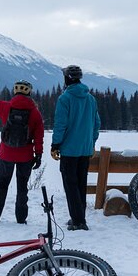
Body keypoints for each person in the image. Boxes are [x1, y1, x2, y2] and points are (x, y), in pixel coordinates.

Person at [0, 80, 44, 224]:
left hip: (6, 154)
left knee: (1, 185)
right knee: (22, 188)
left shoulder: (6, 107)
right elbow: (39, 136)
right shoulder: (35, 112)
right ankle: (21, 219)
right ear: (29, 92)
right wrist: (39, 154)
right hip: (26, 156)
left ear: (15, 91)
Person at [50, 65, 101, 231]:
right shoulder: (90, 99)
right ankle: (80, 217)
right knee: (81, 184)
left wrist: (55, 145)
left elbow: (60, 125)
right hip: (85, 149)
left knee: (70, 185)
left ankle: (78, 221)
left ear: (67, 78)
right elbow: (96, 124)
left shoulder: (65, 99)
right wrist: (92, 142)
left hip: (69, 150)